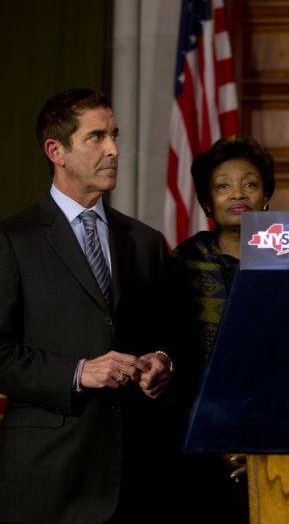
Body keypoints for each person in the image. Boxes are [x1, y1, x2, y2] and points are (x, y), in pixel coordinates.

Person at [0, 88, 175, 523]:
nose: (113, 149)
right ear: (55, 150)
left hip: (137, 479)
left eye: (114, 135)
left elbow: (169, 335)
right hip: (49, 478)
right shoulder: (11, 241)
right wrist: (79, 372)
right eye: (96, 137)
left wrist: (163, 360)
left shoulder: (146, 242)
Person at [171, 135, 275, 523]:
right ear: (205, 202)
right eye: (223, 185)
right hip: (199, 434)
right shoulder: (184, 262)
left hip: (276, 431)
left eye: (250, 183)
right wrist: (216, 437)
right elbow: (176, 356)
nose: (238, 194)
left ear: (266, 196)